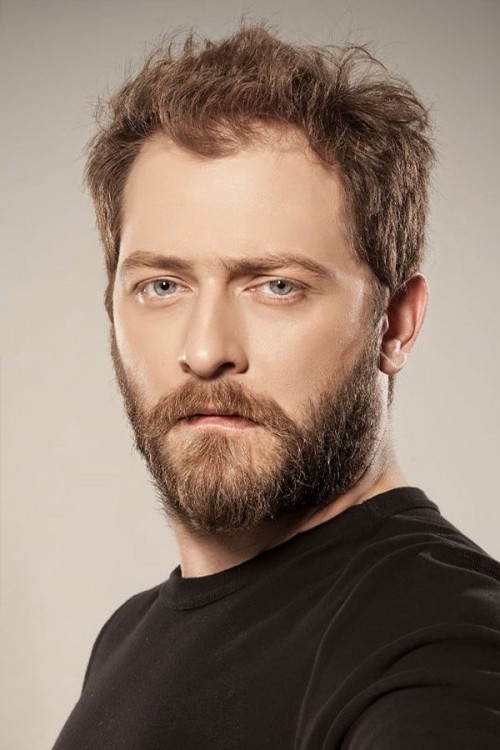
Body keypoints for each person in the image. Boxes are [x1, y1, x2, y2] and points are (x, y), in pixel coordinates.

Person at [53, 23, 500, 750]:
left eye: (277, 286)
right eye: (162, 285)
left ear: (395, 324)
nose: (205, 351)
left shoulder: (444, 642)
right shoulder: (127, 637)